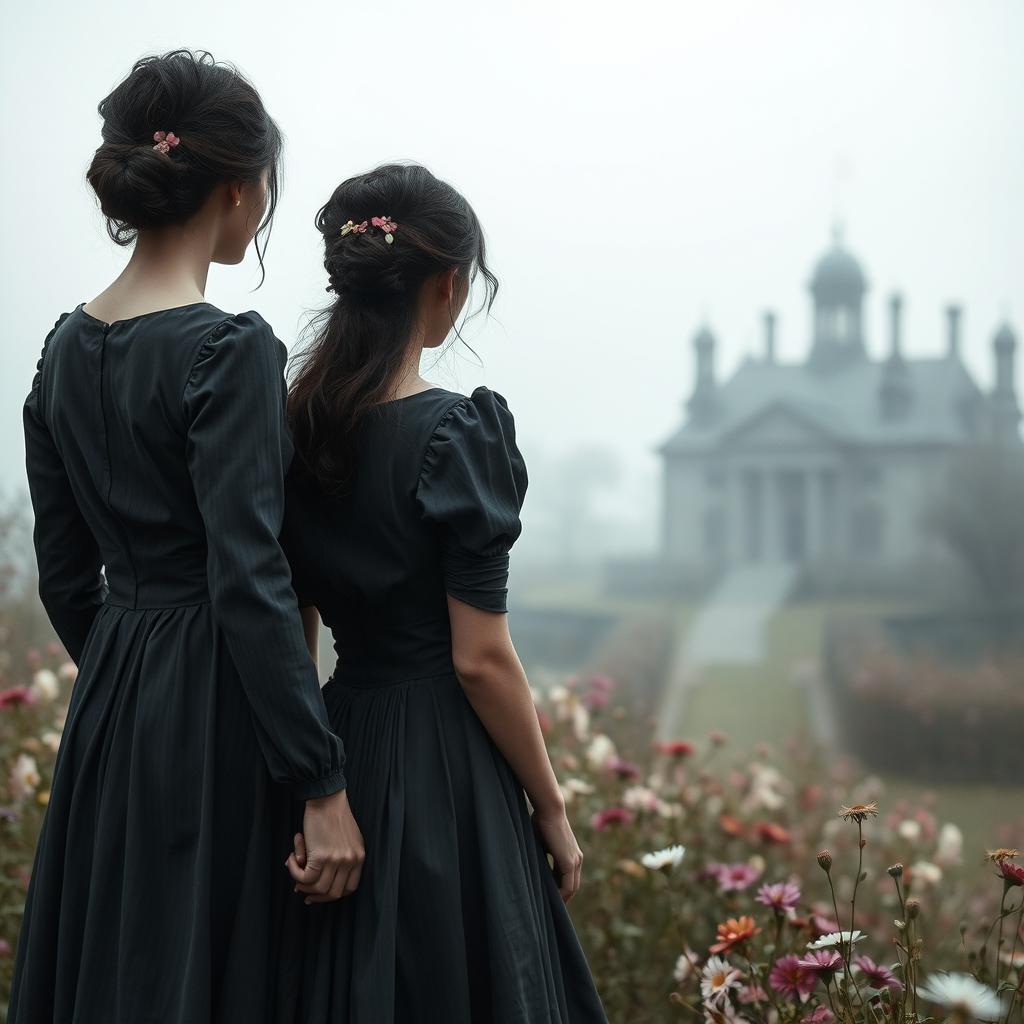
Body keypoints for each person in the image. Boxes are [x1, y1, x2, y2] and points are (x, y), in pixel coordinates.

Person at [10, 49, 361, 1023]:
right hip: (218, 701)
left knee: (118, 959)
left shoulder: (60, 350)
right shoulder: (227, 349)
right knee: (210, 972)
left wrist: (131, 671)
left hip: (114, 699)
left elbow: (64, 576)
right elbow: (249, 579)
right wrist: (321, 779)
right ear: (241, 193)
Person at [280, 162, 608, 1022]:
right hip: (444, 769)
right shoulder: (457, 433)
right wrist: (552, 805)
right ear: (449, 283)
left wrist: (317, 778)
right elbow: (481, 659)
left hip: (341, 748)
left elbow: (297, 628)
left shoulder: (292, 428)